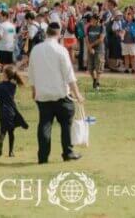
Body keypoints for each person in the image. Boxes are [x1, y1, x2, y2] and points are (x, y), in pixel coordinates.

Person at [27, 22, 84, 165]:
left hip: (43, 94)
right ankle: (68, 152)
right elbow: (69, 74)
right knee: (66, 125)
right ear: (58, 34)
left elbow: (31, 73)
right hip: (60, 94)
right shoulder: (61, 50)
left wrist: (34, 90)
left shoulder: (36, 50)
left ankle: (43, 156)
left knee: (44, 125)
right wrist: (77, 93)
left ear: (47, 33)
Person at [0, 65, 30, 158]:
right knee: (11, 132)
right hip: (11, 110)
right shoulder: (13, 86)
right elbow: (14, 82)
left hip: (2, 111)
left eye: (3, 72)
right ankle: (11, 152)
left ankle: (0, 142)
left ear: (5, 75)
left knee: (2, 130)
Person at [85, 13, 105, 89]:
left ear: (97, 20)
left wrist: (91, 46)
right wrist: (89, 48)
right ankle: (94, 79)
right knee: (90, 68)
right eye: (91, 19)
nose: (91, 21)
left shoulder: (102, 27)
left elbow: (101, 39)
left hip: (99, 50)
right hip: (90, 50)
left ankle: (97, 82)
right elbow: (86, 38)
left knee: (98, 67)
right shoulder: (89, 27)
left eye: (93, 19)